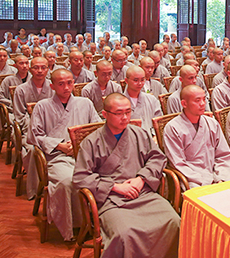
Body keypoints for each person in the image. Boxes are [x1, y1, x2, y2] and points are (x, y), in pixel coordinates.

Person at [73, 93, 180, 258]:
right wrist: (115, 187)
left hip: (142, 193)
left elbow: (157, 158)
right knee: (124, 233)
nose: (124, 117)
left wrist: (141, 178)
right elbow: (81, 177)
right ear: (105, 114)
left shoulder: (139, 134)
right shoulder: (91, 142)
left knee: (173, 221)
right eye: (118, 113)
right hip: (111, 200)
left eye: (128, 112)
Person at [26, 69, 101, 241]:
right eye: (61, 84)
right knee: (69, 181)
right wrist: (58, 145)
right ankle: (75, 225)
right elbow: (34, 136)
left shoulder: (85, 103)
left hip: (83, 154)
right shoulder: (42, 106)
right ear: (52, 86)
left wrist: (79, 144)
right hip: (56, 157)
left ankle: (98, 221)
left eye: (69, 83)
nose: (66, 87)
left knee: (107, 173)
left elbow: (97, 127)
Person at [163, 85, 230, 188]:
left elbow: (223, 155)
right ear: (184, 103)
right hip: (193, 180)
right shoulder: (172, 128)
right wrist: (207, 181)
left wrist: (221, 177)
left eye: (204, 99)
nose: (202, 104)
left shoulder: (212, 123)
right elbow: (178, 163)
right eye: (197, 100)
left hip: (217, 175)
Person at [123, 65, 163, 137]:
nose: (140, 83)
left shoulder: (152, 99)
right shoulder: (119, 102)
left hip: (150, 139)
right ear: (126, 81)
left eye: (142, 80)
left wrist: (154, 136)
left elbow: (158, 122)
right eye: (135, 80)